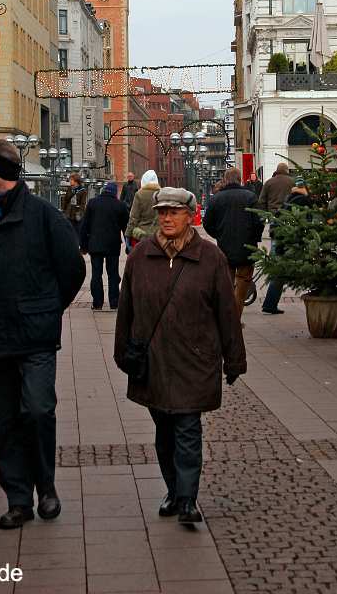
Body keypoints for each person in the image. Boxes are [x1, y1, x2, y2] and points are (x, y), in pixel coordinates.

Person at [0, 139, 86, 530]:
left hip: (34, 335)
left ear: (1, 173)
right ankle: (18, 499)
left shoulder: (45, 217)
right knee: (2, 423)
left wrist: (48, 308)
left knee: (36, 411)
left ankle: (46, 487)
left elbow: (72, 271)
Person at [115, 187, 246, 526]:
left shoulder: (210, 258)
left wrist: (234, 359)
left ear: (191, 216)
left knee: (188, 428)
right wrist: (123, 354)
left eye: (174, 212)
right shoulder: (141, 256)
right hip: (154, 362)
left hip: (195, 360)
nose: (167, 218)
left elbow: (226, 314)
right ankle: (173, 490)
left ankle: (187, 498)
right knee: (165, 431)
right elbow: (126, 310)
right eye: (162, 212)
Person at [203, 167, 265, 318]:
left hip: (225, 248)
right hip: (247, 248)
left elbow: (207, 223)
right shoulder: (250, 197)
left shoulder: (216, 198)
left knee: (227, 284)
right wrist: (254, 237)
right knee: (243, 283)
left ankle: (227, 317)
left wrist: (218, 234)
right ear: (240, 179)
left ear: (225, 180)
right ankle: (235, 317)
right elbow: (259, 221)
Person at [262, 177, 312, 315]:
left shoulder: (288, 200)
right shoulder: (304, 201)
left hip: (280, 239)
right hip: (291, 241)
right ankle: (270, 304)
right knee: (282, 273)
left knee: (279, 273)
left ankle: (269, 303)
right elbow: (308, 223)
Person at [80, 181, 130, 310]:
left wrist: (83, 245)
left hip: (95, 244)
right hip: (112, 245)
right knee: (113, 274)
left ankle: (97, 303)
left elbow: (84, 225)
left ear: (104, 190)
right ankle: (114, 302)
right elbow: (126, 227)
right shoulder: (120, 205)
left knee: (96, 274)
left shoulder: (92, 203)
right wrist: (128, 245)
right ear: (115, 193)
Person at [125, 169, 160, 247]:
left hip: (142, 235)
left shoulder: (139, 194)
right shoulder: (161, 193)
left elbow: (133, 217)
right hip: (158, 235)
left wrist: (128, 234)